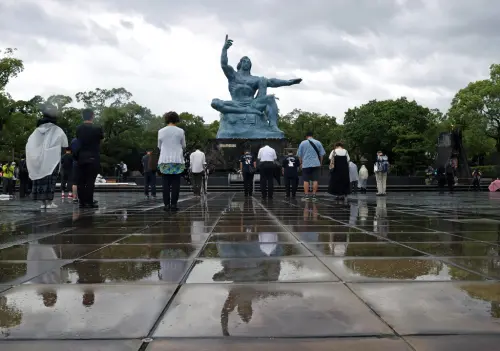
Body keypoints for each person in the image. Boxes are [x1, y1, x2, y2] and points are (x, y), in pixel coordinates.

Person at [26, 105, 69, 209]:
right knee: (50, 180)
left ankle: (42, 203)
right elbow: (65, 144)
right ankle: (50, 202)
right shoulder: (57, 129)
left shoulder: (36, 131)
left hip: (38, 159)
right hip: (52, 159)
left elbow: (29, 144)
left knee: (40, 180)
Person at [75, 108, 103, 209]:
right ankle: (89, 201)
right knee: (90, 180)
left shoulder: (79, 128)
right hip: (93, 156)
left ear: (83, 116)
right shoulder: (97, 128)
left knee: (81, 180)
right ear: (92, 116)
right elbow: (100, 139)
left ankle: (82, 202)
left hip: (81, 156)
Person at [158, 111, 186, 211]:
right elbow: (183, 145)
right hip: (177, 159)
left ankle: (166, 204)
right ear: (176, 119)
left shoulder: (161, 131)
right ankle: (174, 204)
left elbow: (159, 146)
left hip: (164, 159)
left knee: (165, 183)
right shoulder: (180, 131)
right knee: (176, 183)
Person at [297, 132, 325, 202]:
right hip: (316, 163)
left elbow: (299, 155)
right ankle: (314, 196)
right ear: (312, 136)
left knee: (306, 180)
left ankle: (306, 196)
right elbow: (322, 154)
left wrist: (301, 163)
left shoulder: (302, 143)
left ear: (306, 136)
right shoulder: (318, 142)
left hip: (306, 164)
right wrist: (320, 163)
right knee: (315, 180)